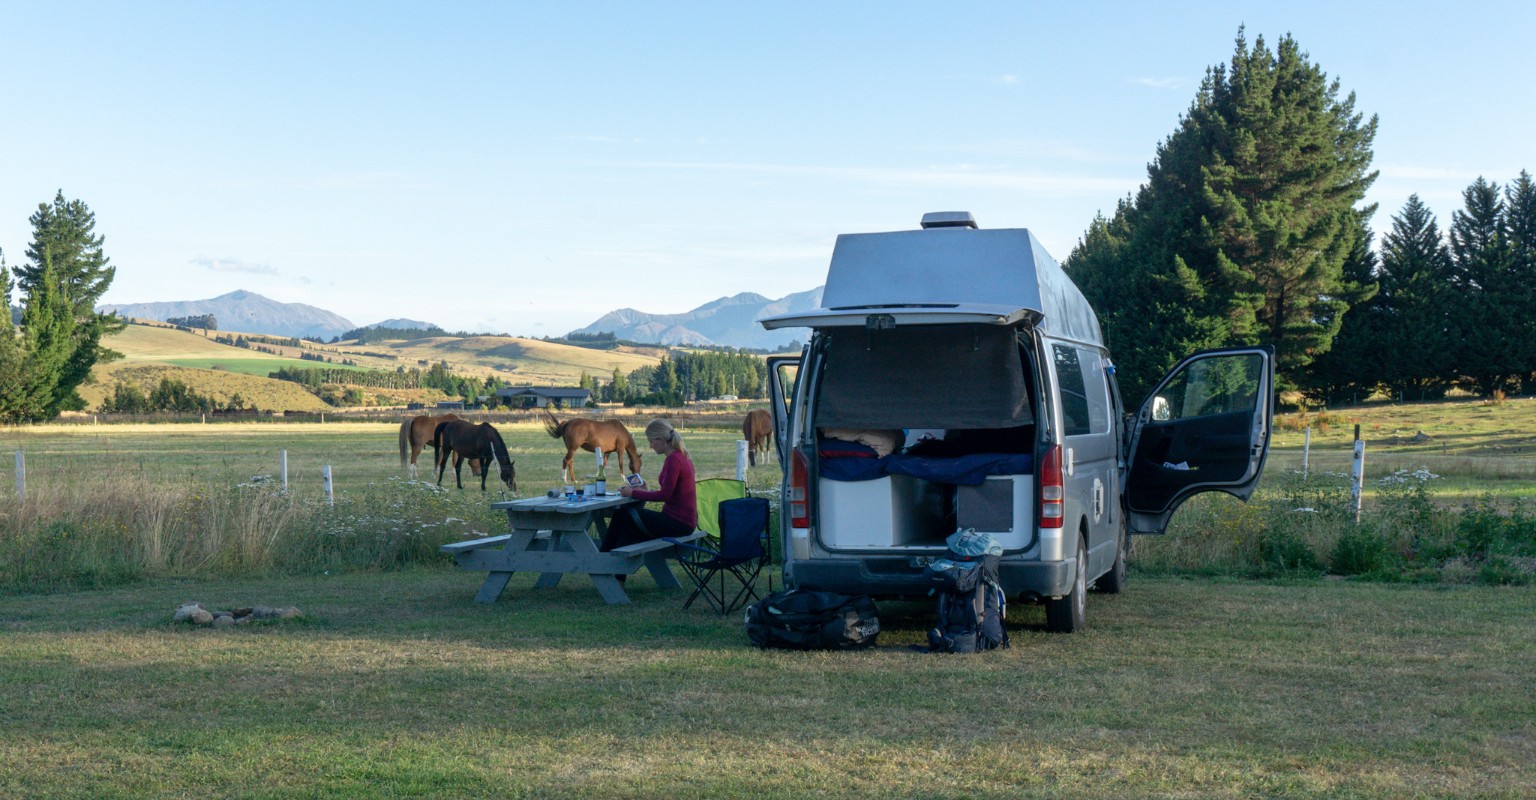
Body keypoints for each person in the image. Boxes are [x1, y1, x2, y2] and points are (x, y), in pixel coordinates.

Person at [599, 419, 697, 556]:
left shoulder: (673, 460)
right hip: (683, 522)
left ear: (661, 440)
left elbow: (665, 495)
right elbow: (670, 493)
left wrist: (632, 493)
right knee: (628, 521)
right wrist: (644, 491)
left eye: (652, 441)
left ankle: (604, 559)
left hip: (679, 523)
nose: (651, 446)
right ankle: (613, 565)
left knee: (624, 515)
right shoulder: (681, 456)